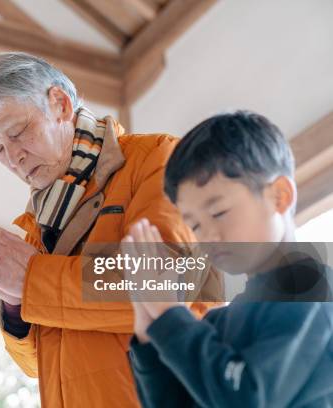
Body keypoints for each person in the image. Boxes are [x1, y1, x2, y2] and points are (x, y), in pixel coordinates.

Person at [0, 52, 222, 407]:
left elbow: (167, 282)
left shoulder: (156, 159)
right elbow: (38, 365)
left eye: (18, 133)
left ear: (60, 104)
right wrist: (16, 307)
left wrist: (32, 280)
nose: (13, 157)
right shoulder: (37, 222)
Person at [126, 111, 333, 407]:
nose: (208, 235)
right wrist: (148, 329)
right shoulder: (220, 321)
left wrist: (170, 312)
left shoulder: (310, 293)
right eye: (194, 225)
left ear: (280, 196)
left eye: (219, 212)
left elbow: (247, 399)